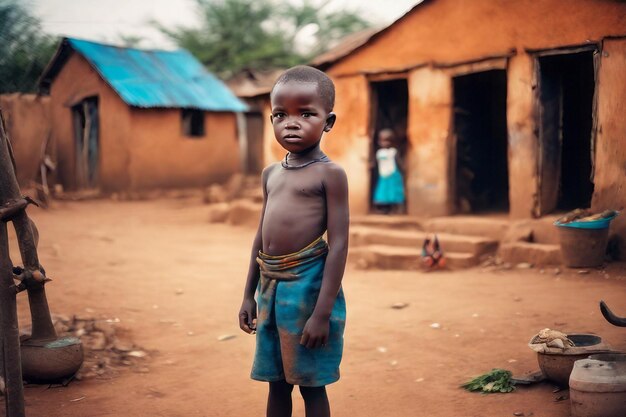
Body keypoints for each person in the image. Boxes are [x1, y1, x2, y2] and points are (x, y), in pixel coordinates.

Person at [238, 65, 349, 417]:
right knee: (277, 381)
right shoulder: (270, 173)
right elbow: (261, 237)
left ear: (328, 122)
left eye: (306, 113)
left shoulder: (330, 175)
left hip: (307, 290)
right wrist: (247, 295)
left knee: (310, 384)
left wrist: (322, 313)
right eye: (281, 114)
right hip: (269, 287)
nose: (291, 122)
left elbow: (340, 244)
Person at [372, 128, 405, 214]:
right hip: (383, 175)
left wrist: (403, 170)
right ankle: (385, 210)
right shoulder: (379, 152)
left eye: (388, 141)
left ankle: (396, 209)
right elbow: (375, 163)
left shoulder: (393, 152)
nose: (385, 143)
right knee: (383, 192)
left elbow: (399, 162)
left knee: (394, 192)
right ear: (379, 141)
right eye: (382, 141)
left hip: (393, 174)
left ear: (392, 142)